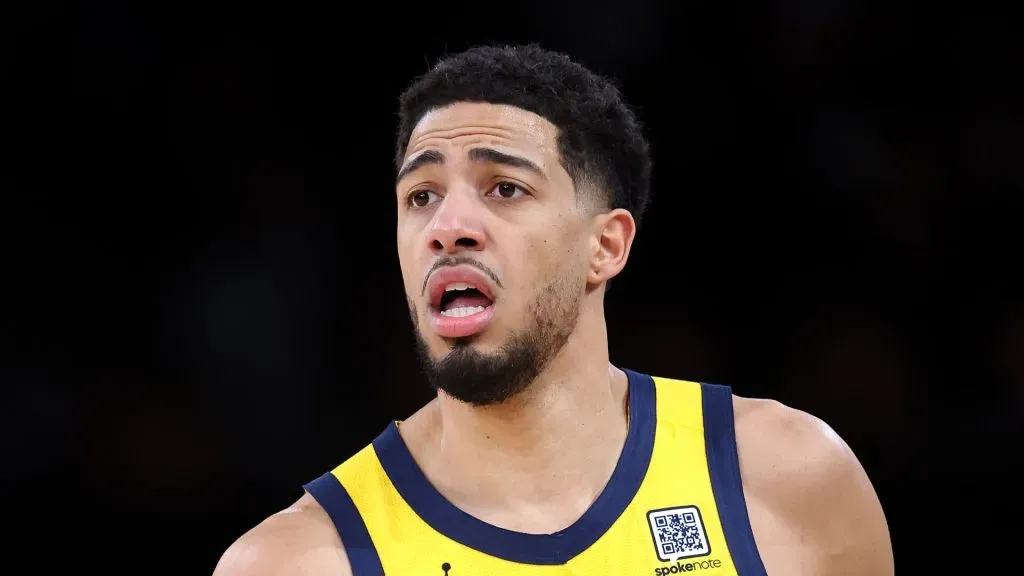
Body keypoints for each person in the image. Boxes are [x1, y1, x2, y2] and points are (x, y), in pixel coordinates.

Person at [213, 44, 893, 575]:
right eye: (421, 196)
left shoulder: (786, 479)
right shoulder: (298, 561)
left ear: (606, 246)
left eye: (504, 188)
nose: (447, 227)